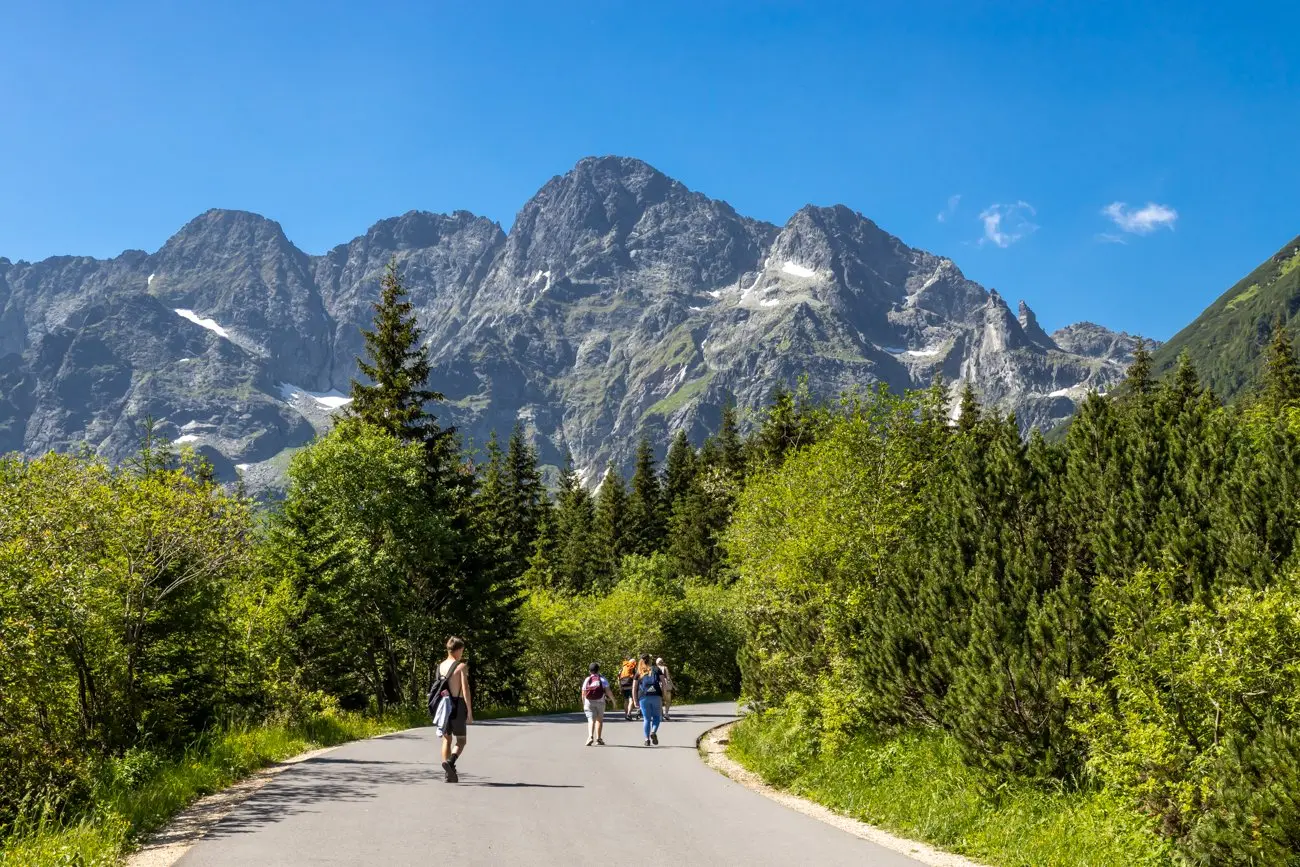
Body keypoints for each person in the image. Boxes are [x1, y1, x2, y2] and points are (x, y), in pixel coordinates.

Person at [435, 636, 473, 782]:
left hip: (443, 706)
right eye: (462, 650)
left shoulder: (440, 666)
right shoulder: (460, 667)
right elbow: (465, 689)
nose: (462, 654)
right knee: (462, 740)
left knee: (446, 739)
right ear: (458, 650)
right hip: (457, 705)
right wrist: (469, 711)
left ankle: (448, 774)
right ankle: (450, 762)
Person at [580, 662, 615, 746]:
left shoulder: (587, 680)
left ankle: (590, 736)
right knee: (599, 720)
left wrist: (584, 703)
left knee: (591, 720)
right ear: (598, 670)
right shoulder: (602, 679)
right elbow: (608, 691)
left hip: (589, 702)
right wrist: (613, 701)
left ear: (590, 671)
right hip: (600, 702)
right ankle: (598, 738)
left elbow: (583, 693)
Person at [632, 653, 664, 746]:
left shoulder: (639, 671)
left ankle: (646, 740)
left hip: (643, 697)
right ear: (650, 660)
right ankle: (653, 732)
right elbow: (664, 683)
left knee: (646, 719)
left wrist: (635, 700)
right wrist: (664, 694)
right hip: (656, 695)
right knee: (657, 717)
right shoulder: (656, 669)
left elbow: (634, 687)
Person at [618, 654, 639, 720]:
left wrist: (620, 687)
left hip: (623, 685)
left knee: (626, 700)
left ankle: (626, 714)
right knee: (631, 700)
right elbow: (636, 677)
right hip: (630, 685)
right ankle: (629, 714)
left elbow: (618, 678)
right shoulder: (633, 667)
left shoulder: (622, 668)